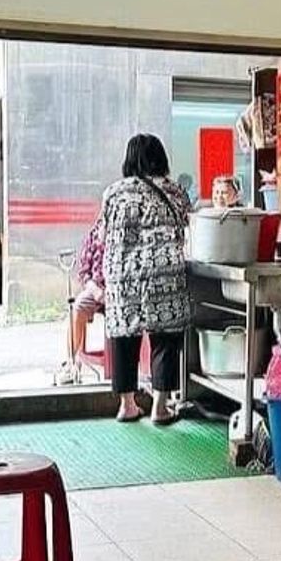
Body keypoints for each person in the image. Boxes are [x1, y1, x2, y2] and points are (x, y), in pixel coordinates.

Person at [100, 133, 192, 424]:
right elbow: (188, 225)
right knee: (165, 338)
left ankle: (127, 405)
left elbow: (102, 234)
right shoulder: (174, 191)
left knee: (124, 337)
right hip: (163, 274)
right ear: (161, 158)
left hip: (123, 274)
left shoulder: (113, 193)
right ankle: (160, 408)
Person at [55, 220, 106, 386]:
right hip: (97, 287)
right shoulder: (94, 233)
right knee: (78, 307)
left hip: (119, 288)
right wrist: (95, 290)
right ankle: (71, 362)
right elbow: (84, 273)